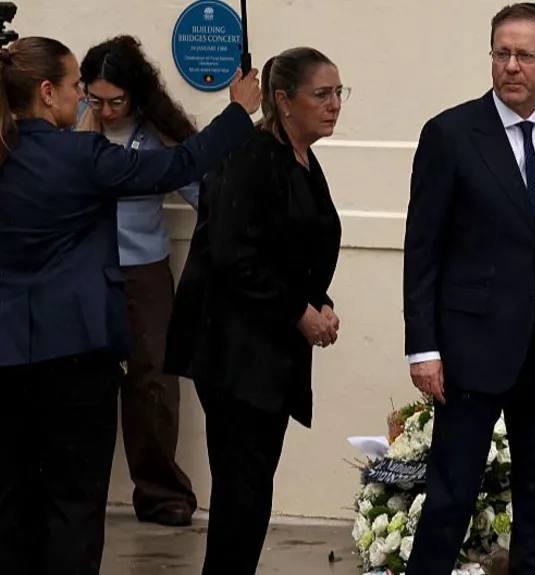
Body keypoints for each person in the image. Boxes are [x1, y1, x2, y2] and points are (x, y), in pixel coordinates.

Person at [0, 36, 261, 575]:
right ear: (47, 94)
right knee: (74, 501)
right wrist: (237, 112)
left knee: (13, 500)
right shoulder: (80, 156)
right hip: (75, 352)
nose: (84, 100)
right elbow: (175, 167)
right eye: (76, 87)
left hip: (6, 356)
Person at [401, 4, 535, 574]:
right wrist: (424, 348)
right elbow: (423, 249)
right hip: (471, 348)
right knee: (451, 492)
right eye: (502, 53)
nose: (512, 66)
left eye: (525, 55)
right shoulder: (449, 134)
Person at [164, 47, 345, 575]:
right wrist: (298, 310)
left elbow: (294, 250)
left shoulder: (304, 159)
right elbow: (231, 252)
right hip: (233, 351)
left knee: (252, 488)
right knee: (242, 492)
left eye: (339, 93)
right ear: (283, 101)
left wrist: (321, 303)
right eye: (322, 94)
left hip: (270, 349)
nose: (334, 105)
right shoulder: (250, 155)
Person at [76, 34, 199, 528]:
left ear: (135, 94)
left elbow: (201, 192)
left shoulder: (156, 133)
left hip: (144, 267)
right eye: (94, 98)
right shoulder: (71, 128)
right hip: (83, 267)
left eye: (116, 101)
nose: (106, 111)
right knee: (84, 380)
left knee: (153, 379)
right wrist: (82, 128)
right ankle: (82, 491)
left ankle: (161, 492)